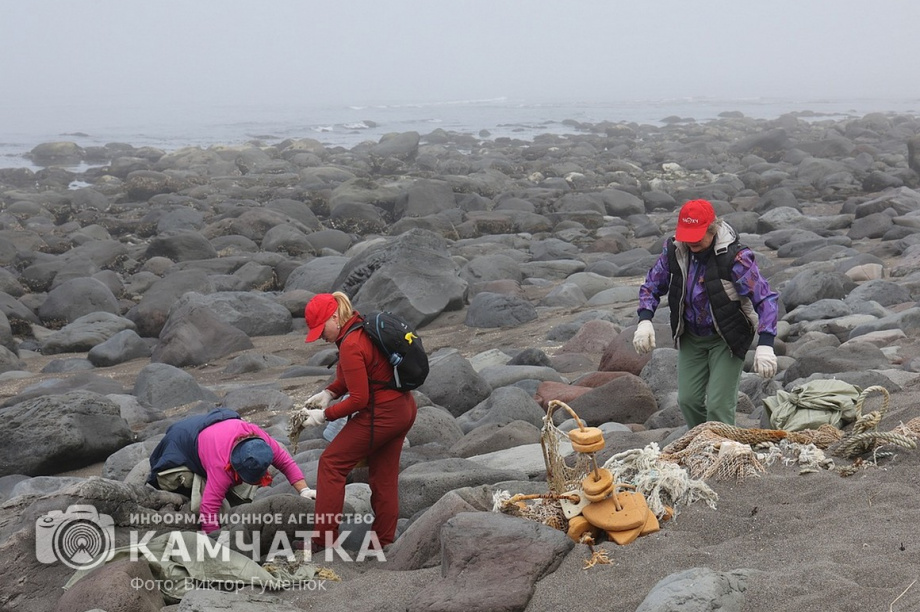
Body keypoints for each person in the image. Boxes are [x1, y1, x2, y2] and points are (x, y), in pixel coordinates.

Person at [633, 199, 779, 428]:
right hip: (691, 336)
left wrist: (766, 343)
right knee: (688, 401)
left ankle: (722, 450)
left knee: (719, 405)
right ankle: (703, 441)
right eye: (687, 235)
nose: (691, 242)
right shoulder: (675, 250)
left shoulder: (735, 258)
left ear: (712, 229)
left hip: (727, 338)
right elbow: (652, 285)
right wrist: (644, 320)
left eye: (697, 236)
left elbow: (766, 298)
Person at [299, 291, 417, 550]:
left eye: (321, 329)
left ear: (334, 316)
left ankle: (323, 540)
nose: (320, 336)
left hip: (382, 414)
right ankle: (382, 542)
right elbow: (357, 377)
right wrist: (329, 393)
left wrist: (323, 416)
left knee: (331, 465)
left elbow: (359, 400)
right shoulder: (360, 328)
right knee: (383, 477)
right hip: (404, 409)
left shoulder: (350, 344)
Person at [147, 407, 314, 534]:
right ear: (234, 466)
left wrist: (304, 490)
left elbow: (287, 463)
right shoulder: (221, 468)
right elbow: (209, 507)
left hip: (217, 426)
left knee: (238, 494)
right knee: (189, 484)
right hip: (182, 440)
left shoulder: (263, 442)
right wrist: (213, 539)